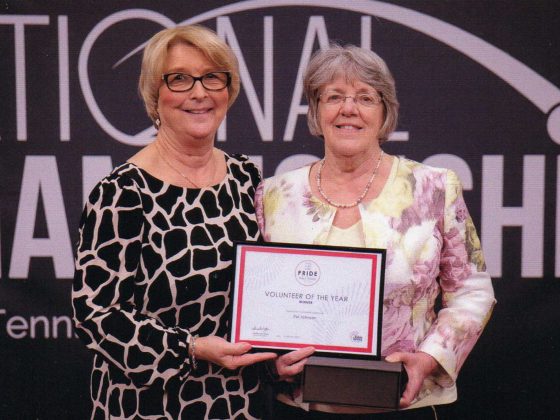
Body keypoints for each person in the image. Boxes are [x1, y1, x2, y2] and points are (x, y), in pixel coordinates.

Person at [255, 44, 496, 419]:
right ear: (316, 112)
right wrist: (271, 361)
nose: (348, 109)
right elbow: (259, 302)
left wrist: (429, 357)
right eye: (334, 97)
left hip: (404, 404)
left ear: (385, 113)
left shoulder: (434, 187)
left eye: (365, 97)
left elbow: (472, 291)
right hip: (300, 406)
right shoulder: (274, 194)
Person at [72, 24, 276, 419]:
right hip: (148, 405)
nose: (199, 93)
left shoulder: (244, 177)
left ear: (229, 90)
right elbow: (95, 315)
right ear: (155, 94)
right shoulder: (122, 193)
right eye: (179, 79)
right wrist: (191, 348)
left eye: (212, 77)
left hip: (237, 402)